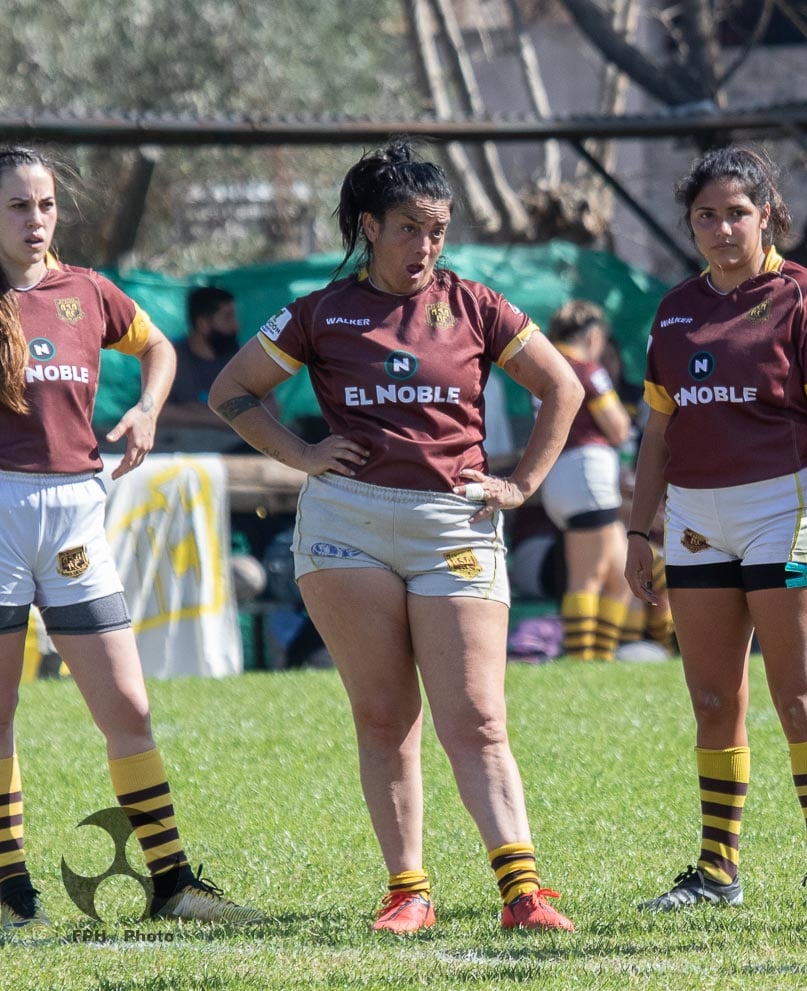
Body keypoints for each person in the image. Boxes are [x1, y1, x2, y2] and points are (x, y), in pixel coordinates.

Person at [208, 142, 582, 934]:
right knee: (384, 714)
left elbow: (564, 385)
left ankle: (524, 892)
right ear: (369, 226)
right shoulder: (320, 311)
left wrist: (521, 485)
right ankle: (407, 891)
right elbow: (231, 390)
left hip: (455, 521)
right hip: (346, 525)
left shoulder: (476, 303)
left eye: (438, 230)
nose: (426, 247)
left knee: (477, 717)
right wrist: (305, 454)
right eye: (409, 228)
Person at [0, 145, 258, 928]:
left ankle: (173, 883)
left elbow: (159, 346)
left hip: (78, 508)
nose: (36, 220)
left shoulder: (87, 291)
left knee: (130, 708)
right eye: (17, 206)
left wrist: (146, 410)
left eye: (44, 204)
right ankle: (12, 895)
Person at [625, 146, 807, 912]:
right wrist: (636, 531)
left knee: (798, 692)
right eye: (706, 215)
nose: (723, 228)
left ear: (768, 216)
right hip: (693, 520)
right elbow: (656, 434)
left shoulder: (804, 297)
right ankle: (717, 869)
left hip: (784, 510)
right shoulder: (675, 308)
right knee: (714, 701)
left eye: (738, 213)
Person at [540, 299, 633, 662]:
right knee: (587, 577)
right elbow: (618, 427)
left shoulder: (543, 363)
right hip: (586, 475)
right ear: (593, 335)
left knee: (620, 579)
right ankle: (582, 660)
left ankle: (601, 659)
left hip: (559, 477)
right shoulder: (588, 369)